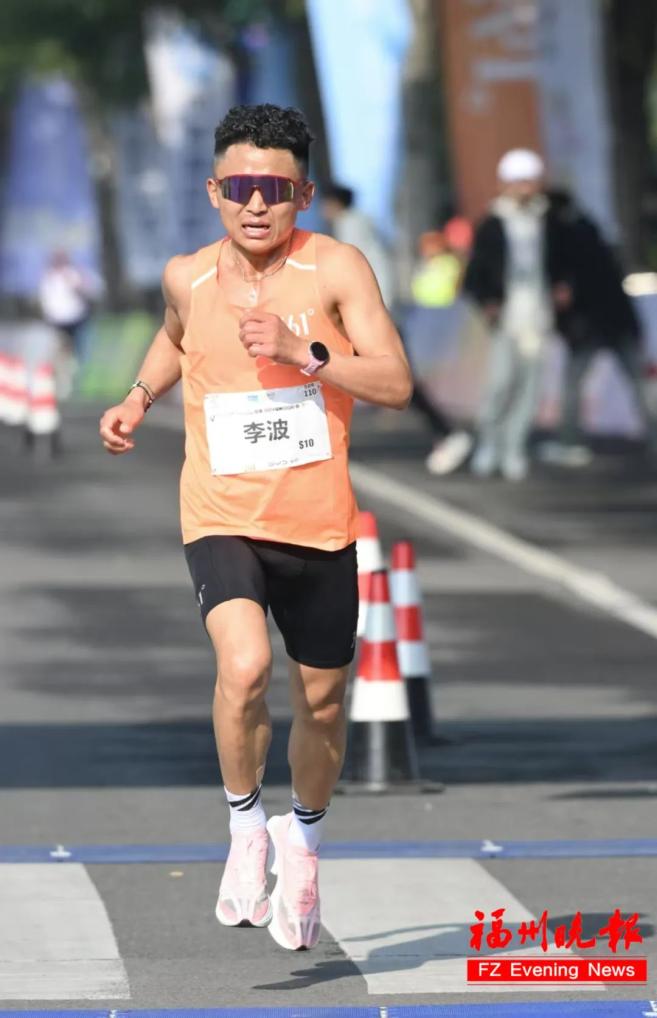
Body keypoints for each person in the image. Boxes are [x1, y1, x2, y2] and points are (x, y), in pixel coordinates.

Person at [99, 104, 412, 951]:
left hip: (318, 524)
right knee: (242, 669)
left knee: (323, 701)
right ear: (214, 191)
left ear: (302, 195)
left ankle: (301, 842)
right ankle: (245, 828)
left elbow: (394, 382)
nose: (256, 204)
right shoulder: (187, 275)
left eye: (275, 189)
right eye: (239, 187)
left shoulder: (335, 268)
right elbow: (177, 338)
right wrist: (137, 398)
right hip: (220, 512)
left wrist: (304, 351)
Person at [463, 149, 571, 481]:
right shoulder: (492, 223)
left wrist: (562, 287)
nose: (525, 188)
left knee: (530, 386)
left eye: (530, 181)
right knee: (500, 383)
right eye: (519, 181)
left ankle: (514, 448)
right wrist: (489, 302)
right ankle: (489, 444)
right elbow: (475, 273)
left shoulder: (548, 221)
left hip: (537, 315)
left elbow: (563, 262)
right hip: (506, 318)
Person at [541, 189, 657, 465]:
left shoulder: (559, 239)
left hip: (589, 326)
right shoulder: (590, 230)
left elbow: (564, 290)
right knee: (640, 383)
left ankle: (570, 442)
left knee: (573, 383)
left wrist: (567, 322)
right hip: (620, 321)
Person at [406, 229, 473, 474]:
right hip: (423, 326)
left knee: (424, 386)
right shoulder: (427, 266)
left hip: (439, 328)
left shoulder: (449, 265)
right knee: (420, 385)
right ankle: (445, 434)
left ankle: (449, 433)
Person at [321, 182, 395, 308]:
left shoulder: (348, 224)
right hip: (377, 284)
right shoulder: (356, 220)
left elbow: (348, 260)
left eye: (326, 204)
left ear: (336, 203)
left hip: (371, 287)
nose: (323, 210)